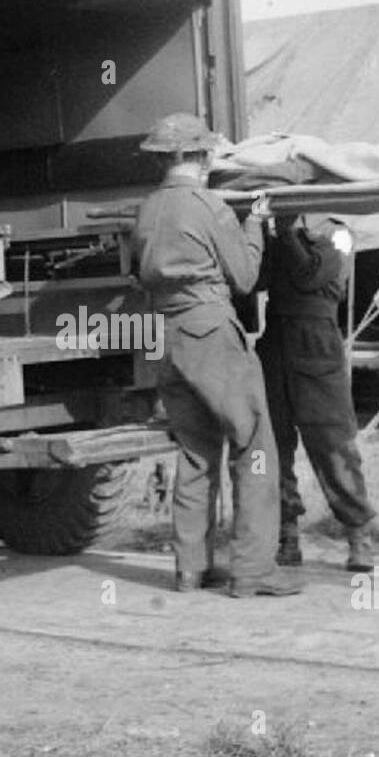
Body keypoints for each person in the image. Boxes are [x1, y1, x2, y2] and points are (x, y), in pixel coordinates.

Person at [132, 112, 299, 597]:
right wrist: (253, 226)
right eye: (207, 153)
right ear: (197, 156)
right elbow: (245, 278)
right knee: (255, 446)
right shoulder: (209, 206)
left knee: (195, 450)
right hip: (210, 332)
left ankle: (190, 569)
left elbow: (139, 274)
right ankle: (252, 570)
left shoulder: (146, 209)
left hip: (165, 335)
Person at [257, 213, 377, 570]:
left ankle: (358, 535)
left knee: (333, 444)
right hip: (275, 341)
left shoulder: (338, 232)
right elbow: (253, 280)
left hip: (317, 342)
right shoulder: (274, 231)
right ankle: (286, 535)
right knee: (273, 446)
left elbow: (313, 275)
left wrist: (286, 233)